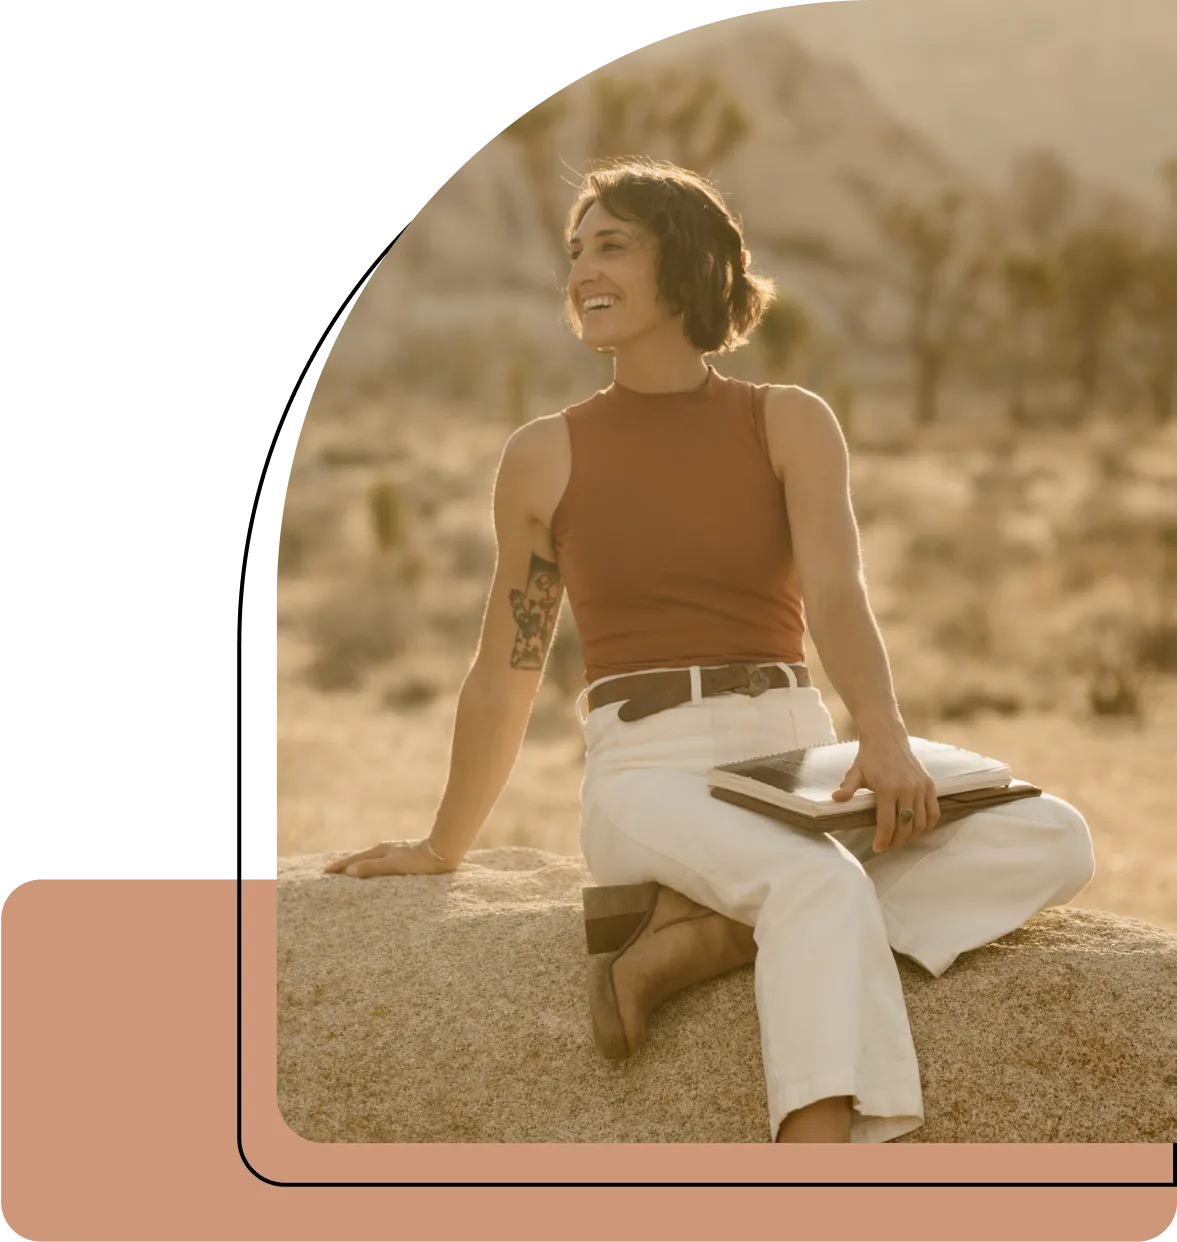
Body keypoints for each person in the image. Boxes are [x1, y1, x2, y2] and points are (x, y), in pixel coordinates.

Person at [323, 157, 1096, 1143]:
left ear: (683, 263)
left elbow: (837, 595)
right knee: (815, 880)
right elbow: (507, 667)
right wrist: (442, 846)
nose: (581, 269)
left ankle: (701, 944)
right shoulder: (545, 454)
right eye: (574, 250)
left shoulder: (788, 421)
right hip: (649, 769)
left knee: (1048, 835)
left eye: (613, 244)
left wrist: (885, 737)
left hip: (793, 750)